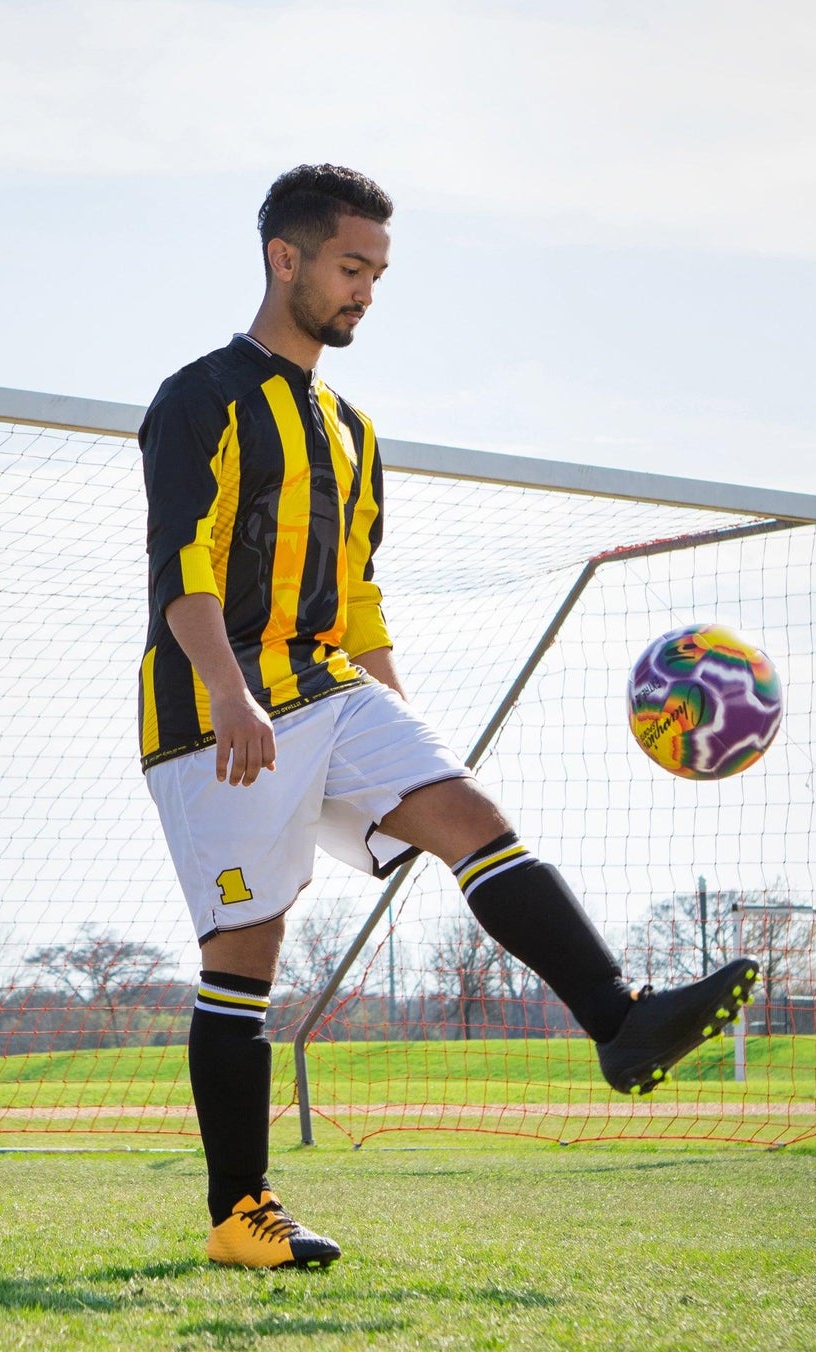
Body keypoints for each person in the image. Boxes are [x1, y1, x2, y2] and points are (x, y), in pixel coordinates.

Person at [138, 163, 758, 1270]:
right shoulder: (199, 397)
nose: (366, 291)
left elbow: (358, 596)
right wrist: (230, 694)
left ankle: (619, 1022)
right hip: (212, 706)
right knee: (246, 948)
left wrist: (400, 723)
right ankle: (240, 1211)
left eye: (378, 272)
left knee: (465, 810)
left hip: (333, 684)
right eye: (350, 267)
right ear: (284, 258)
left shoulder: (351, 429)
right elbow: (179, 568)